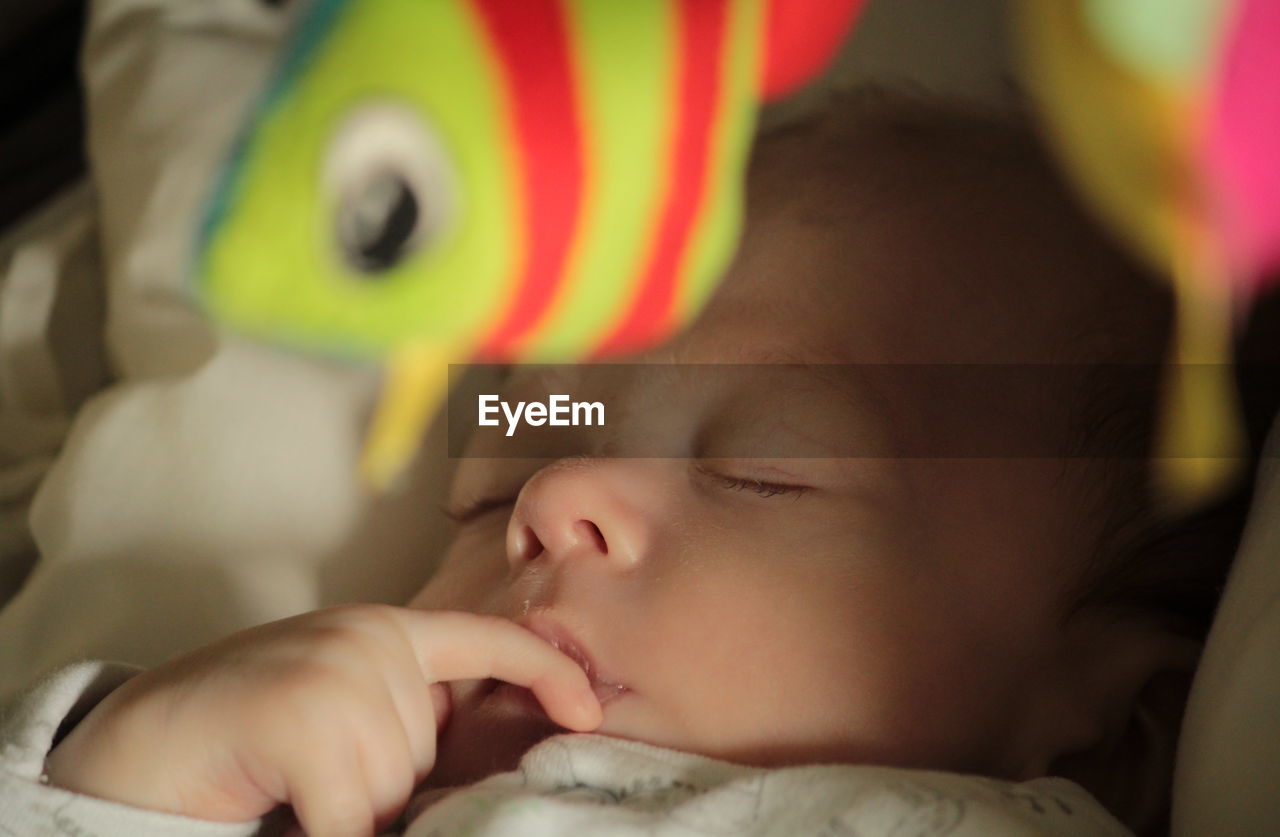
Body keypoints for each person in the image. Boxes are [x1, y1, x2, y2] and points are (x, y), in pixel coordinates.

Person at [1, 90, 1242, 837]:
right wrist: (124, 776)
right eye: (487, 492)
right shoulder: (310, 788)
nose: (547, 499)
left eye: (766, 472)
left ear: (1107, 741)